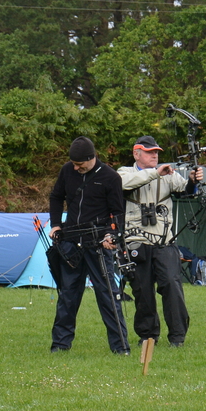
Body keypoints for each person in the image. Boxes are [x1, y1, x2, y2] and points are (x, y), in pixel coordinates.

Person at [117, 136, 202, 349]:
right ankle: (148, 336)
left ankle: (178, 337)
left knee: (172, 285)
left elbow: (186, 190)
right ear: (136, 154)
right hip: (136, 243)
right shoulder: (124, 172)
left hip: (165, 242)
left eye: (156, 152)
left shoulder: (168, 174)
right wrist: (156, 173)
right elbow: (124, 184)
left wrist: (193, 180)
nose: (154, 155)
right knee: (142, 291)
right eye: (149, 152)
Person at [48, 137, 130, 354]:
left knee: (107, 295)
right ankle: (60, 345)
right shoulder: (67, 170)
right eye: (73, 164)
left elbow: (118, 212)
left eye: (79, 164)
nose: (76, 168)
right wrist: (56, 224)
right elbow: (56, 197)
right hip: (71, 242)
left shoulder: (111, 177)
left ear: (91, 157)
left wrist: (112, 235)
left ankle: (121, 347)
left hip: (98, 243)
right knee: (68, 294)